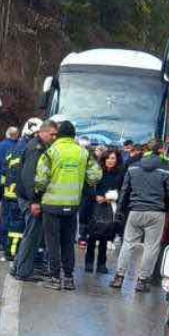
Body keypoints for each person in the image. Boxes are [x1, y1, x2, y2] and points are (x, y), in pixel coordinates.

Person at [32, 120, 101, 290]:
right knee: (68, 242)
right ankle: (69, 278)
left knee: (52, 242)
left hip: (51, 204)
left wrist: (37, 195)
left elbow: (41, 179)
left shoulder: (51, 152)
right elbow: (95, 175)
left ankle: (55, 278)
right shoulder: (83, 153)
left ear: (59, 134)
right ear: (73, 135)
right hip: (72, 205)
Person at [110, 138, 169, 293]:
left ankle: (118, 277)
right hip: (156, 213)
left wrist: (120, 211)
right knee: (151, 247)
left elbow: (124, 190)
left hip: (135, 211)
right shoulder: (166, 169)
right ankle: (142, 281)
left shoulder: (133, 167)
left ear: (145, 150)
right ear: (162, 151)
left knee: (128, 243)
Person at [8, 116, 59, 281]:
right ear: (42, 132)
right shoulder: (36, 149)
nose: (54, 137)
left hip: (28, 197)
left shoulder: (37, 146)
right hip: (30, 199)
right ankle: (22, 271)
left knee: (30, 234)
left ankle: (18, 267)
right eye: (52, 134)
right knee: (31, 236)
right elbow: (30, 176)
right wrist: (35, 201)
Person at [0, 119, 37, 261]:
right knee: (17, 225)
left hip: (9, 192)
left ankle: (7, 248)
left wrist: (4, 187)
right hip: (18, 194)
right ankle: (12, 253)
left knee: (8, 221)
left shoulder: (16, 147)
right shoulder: (27, 149)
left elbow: (4, 169)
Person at [84, 147, 126, 274]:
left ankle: (102, 264)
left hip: (109, 207)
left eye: (113, 158)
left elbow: (123, 190)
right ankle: (89, 263)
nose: (110, 161)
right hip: (94, 206)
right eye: (108, 158)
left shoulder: (120, 174)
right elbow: (87, 186)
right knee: (92, 236)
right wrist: (95, 196)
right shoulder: (97, 171)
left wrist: (110, 198)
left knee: (105, 236)